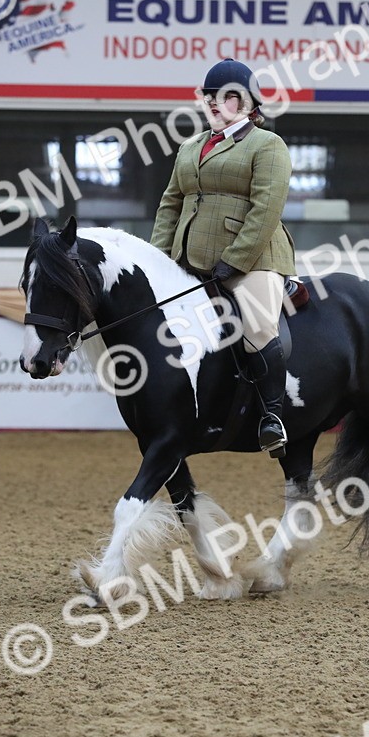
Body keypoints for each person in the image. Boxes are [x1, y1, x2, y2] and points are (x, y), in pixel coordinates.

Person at [151, 58, 296, 455]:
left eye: (228, 96)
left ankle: (272, 417)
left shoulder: (267, 145)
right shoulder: (190, 147)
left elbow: (267, 207)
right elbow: (170, 205)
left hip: (254, 259)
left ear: (249, 104)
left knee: (259, 324)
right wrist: (158, 261)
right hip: (188, 258)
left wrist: (235, 260)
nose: (216, 103)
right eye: (210, 96)